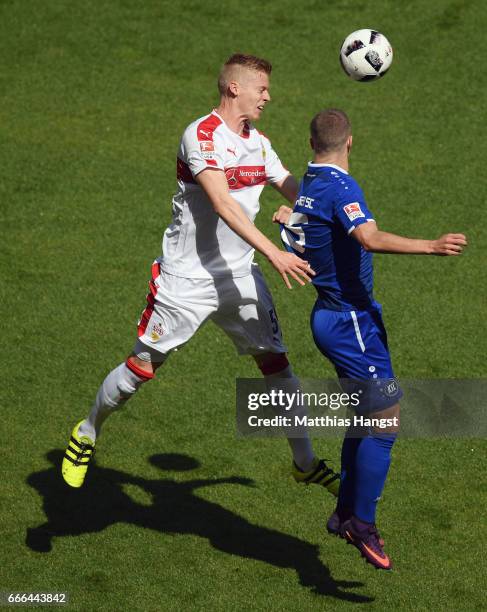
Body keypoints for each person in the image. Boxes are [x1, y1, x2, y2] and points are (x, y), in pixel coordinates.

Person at [62, 55, 340, 498]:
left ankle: (305, 463)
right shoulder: (202, 135)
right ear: (234, 88)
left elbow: (292, 186)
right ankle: (88, 431)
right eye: (261, 89)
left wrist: (324, 206)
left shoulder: (260, 144)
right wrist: (274, 252)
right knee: (140, 370)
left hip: (238, 276)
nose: (268, 96)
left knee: (276, 363)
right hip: (186, 280)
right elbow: (223, 204)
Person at [273, 108, 467, 570]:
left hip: (332, 317)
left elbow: (301, 232)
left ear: (312, 143)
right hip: (350, 323)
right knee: (386, 423)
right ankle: (362, 522)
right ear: (351, 142)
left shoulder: (311, 182)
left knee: (365, 415)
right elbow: (369, 236)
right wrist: (431, 245)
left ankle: (344, 512)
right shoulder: (342, 188)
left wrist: (286, 219)